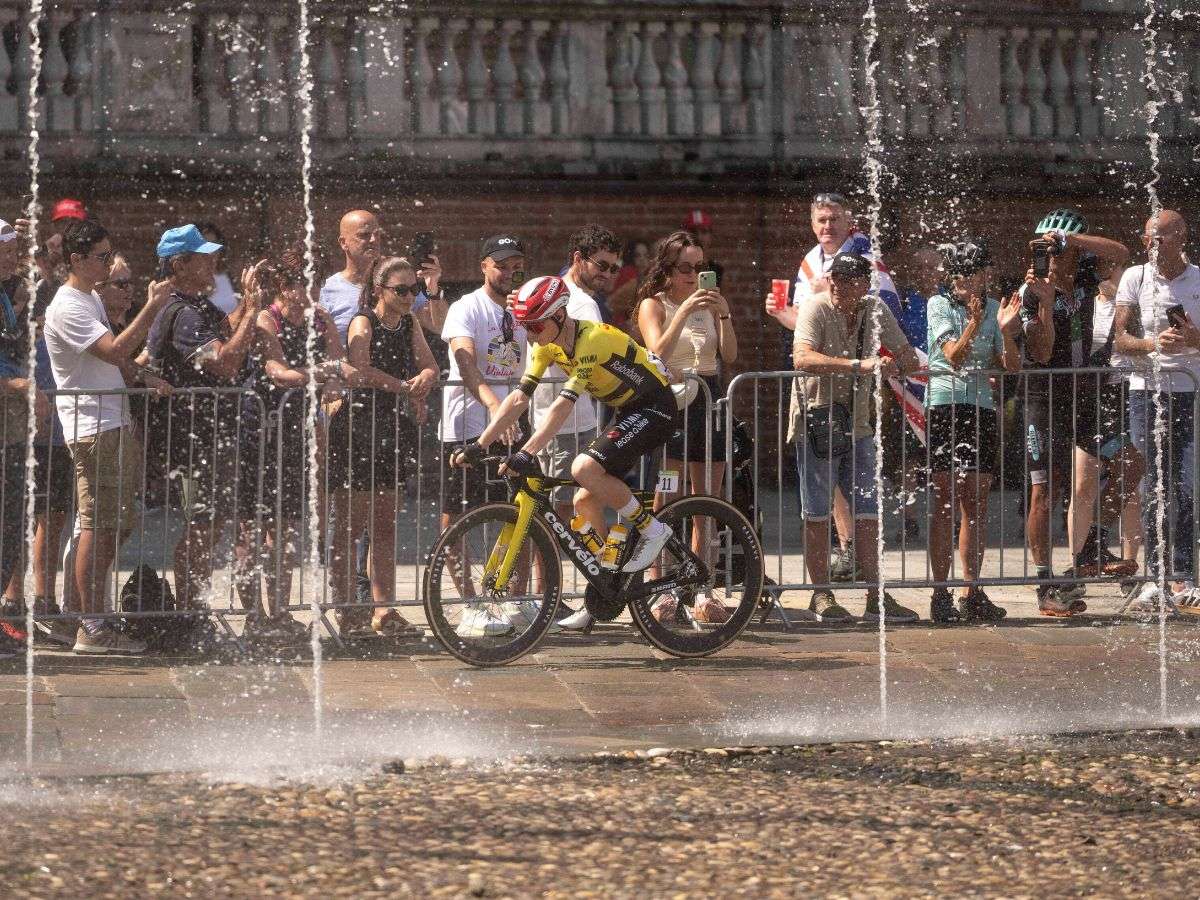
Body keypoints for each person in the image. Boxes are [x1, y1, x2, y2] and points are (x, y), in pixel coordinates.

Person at [454, 275, 678, 634]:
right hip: (627, 410)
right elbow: (518, 398)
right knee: (583, 504)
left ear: (559, 315)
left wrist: (527, 451)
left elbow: (562, 406)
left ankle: (653, 530)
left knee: (583, 467)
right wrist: (481, 443)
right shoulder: (547, 345)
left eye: (536, 325)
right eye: (525, 326)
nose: (530, 334)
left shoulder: (593, 339)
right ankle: (606, 591)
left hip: (656, 408)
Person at [44, 219, 173, 653]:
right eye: (101, 257)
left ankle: (91, 616)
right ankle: (91, 626)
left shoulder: (89, 298)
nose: (107, 263)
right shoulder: (69, 306)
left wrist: (143, 377)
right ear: (76, 260)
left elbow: (117, 363)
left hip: (113, 424)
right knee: (97, 527)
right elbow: (114, 350)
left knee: (115, 525)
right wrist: (152, 306)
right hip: (92, 428)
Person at [768, 192, 900, 582]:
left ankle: (863, 568)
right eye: (821, 220)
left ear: (849, 221)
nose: (828, 227)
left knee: (863, 486)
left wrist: (895, 363)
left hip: (860, 389)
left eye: (835, 219)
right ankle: (839, 564)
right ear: (812, 223)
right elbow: (805, 331)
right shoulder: (811, 262)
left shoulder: (862, 254)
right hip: (822, 393)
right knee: (824, 491)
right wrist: (782, 314)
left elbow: (874, 316)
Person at [791, 252, 922, 623]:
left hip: (860, 423)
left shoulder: (874, 308)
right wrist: (860, 365)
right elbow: (801, 357)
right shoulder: (815, 307)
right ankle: (820, 596)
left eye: (848, 280)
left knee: (869, 510)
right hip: (817, 420)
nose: (838, 285)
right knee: (815, 512)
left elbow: (908, 356)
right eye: (835, 277)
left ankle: (875, 596)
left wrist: (895, 363)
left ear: (865, 285)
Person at [1017, 208, 1129, 616]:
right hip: (1042, 399)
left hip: (1083, 397)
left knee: (1120, 464)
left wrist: (1075, 241)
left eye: (1059, 249)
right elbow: (1043, 352)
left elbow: (1120, 252)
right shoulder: (1031, 292)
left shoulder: (1086, 279)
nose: (1054, 256)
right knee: (1044, 492)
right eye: (1047, 248)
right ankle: (1046, 583)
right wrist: (1046, 306)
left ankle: (1091, 546)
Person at [143, 224, 259, 613]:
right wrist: (254, 311)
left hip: (209, 436)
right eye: (204, 256)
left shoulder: (199, 307)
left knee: (212, 526)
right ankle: (189, 614)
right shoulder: (183, 314)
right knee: (202, 528)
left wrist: (251, 299)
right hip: (193, 440)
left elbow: (227, 332)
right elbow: (225, 363)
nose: (214, 262)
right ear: (179, 263)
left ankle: (194, 613)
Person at [240, 247, 348, 644]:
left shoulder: (319, 319)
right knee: (252, 531)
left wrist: (333, 379)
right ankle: (254, 617)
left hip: (296, 435)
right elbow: (278, 371)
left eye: (314, 281)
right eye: (300, 282)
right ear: (283, 285)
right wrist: (324, 375)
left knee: (284, 532)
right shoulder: (267, 318)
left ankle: (281, 613)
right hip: (259, 434)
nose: (308, 290)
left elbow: (340, 360)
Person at [328, 255, 438, 637]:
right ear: (379, 290)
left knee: (385, 526)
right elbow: (361, 371)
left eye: (415, 289)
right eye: (402, 290)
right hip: (357, 427)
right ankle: (347, 610)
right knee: (350, 525)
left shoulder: (409, 323)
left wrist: (423, 378)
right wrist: (405, 387)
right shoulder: (364, 321)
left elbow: (430, 365)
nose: (410, 297)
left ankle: (383, 608)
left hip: (392, 428)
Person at [636, 230, 737, 624]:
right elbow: (655, 351)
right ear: (667, 270)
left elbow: (729, 354)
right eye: (685, 268)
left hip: (707, 400)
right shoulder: (653, 304)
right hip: (672, 404)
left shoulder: (710, 307)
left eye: (700, 269)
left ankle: (702, 589)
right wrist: (682, 311)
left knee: (707, 504)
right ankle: (659, 587)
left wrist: (723, 313)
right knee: (666, 502)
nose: (693, 276)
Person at [924, 240, 1022, 623]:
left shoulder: (994, 308)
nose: (972, 282)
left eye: (979, 274)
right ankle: (938, 591)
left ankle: (972, 589)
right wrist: (973, 324)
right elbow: (953, 356)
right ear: (953, 277)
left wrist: (1008, 333)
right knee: (945, 500)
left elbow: (1010, 366)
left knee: (975, 502)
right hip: (945, 403)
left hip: (980, 406)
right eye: (965, 275)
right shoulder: (939, 304)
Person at [1112, 209, 1200, 613]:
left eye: (1160, 238)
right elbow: (1120, 340)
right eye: (1148, 238)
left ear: (1181, 237)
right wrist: (1153, 345)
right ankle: (1154, 575)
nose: (1153, 245)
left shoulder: (1198, 278)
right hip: (1145, 391)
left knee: (1184, 483)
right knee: (1153, 485)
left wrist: (1193, 339)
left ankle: (1183, 575)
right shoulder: (1135, 276)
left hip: (1188, 391)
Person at [439, 235, 528, 549]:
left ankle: (519, 594)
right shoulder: (467, 307)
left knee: (524, 510)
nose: (508, 273)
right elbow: (466, 363)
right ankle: (464, 597)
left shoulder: (526, 309)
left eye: (516, 267)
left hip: (514, 420)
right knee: (457, 517)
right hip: (470, 424)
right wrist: (495, 407)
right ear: (484, 267)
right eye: (500, 266)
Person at [0, 219, 45, 653]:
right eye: (7, 248)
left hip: (11, 428)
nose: (14, 256)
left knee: (13, 523)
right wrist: (23, 386)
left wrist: (27, 245)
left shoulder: (6, 290)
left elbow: (38, 285)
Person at [319, 210, 446, 343]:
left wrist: (433, 288)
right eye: (364, 235)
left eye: (377, 234)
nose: (373, 240)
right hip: (349, 363)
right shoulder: (326, 291)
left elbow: (441, 327)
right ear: (343, 242)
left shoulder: (400, 284)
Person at [195, 222, 239, 315]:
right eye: (205, 247)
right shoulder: (190, 283)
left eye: (214, 245)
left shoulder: (226, 278)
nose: (211, 252)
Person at [607, 239, 650, 331]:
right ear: (631, 258)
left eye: (646, 256)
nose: (642, 259)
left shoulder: (644, 277)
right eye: (637, 256)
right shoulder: (629, 274)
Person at [681, 209, 723, 286]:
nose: (699, 237)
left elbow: (725, 297)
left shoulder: (719, 271)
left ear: (711, 235)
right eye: (693, 232)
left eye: (704, 231)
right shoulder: (678, 269)